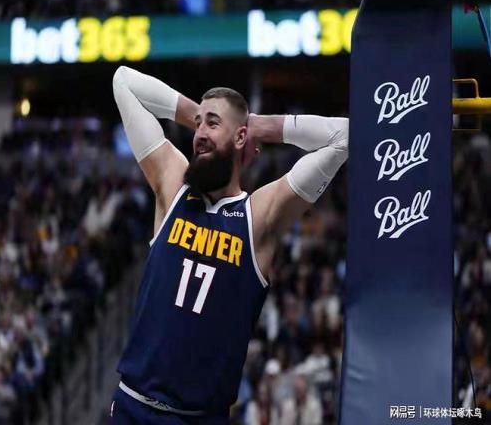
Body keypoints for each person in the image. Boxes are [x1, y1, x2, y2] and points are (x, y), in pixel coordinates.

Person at [110, 65, 348, 424]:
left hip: (199, 418)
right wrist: (200, 117)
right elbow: (123, 81)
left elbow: (345, 136)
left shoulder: (259, 217)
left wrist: (261, 127)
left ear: (240, 138)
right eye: (198, 125)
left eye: (212, 123)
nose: (199, 134)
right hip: (133, 407)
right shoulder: (173, 186)